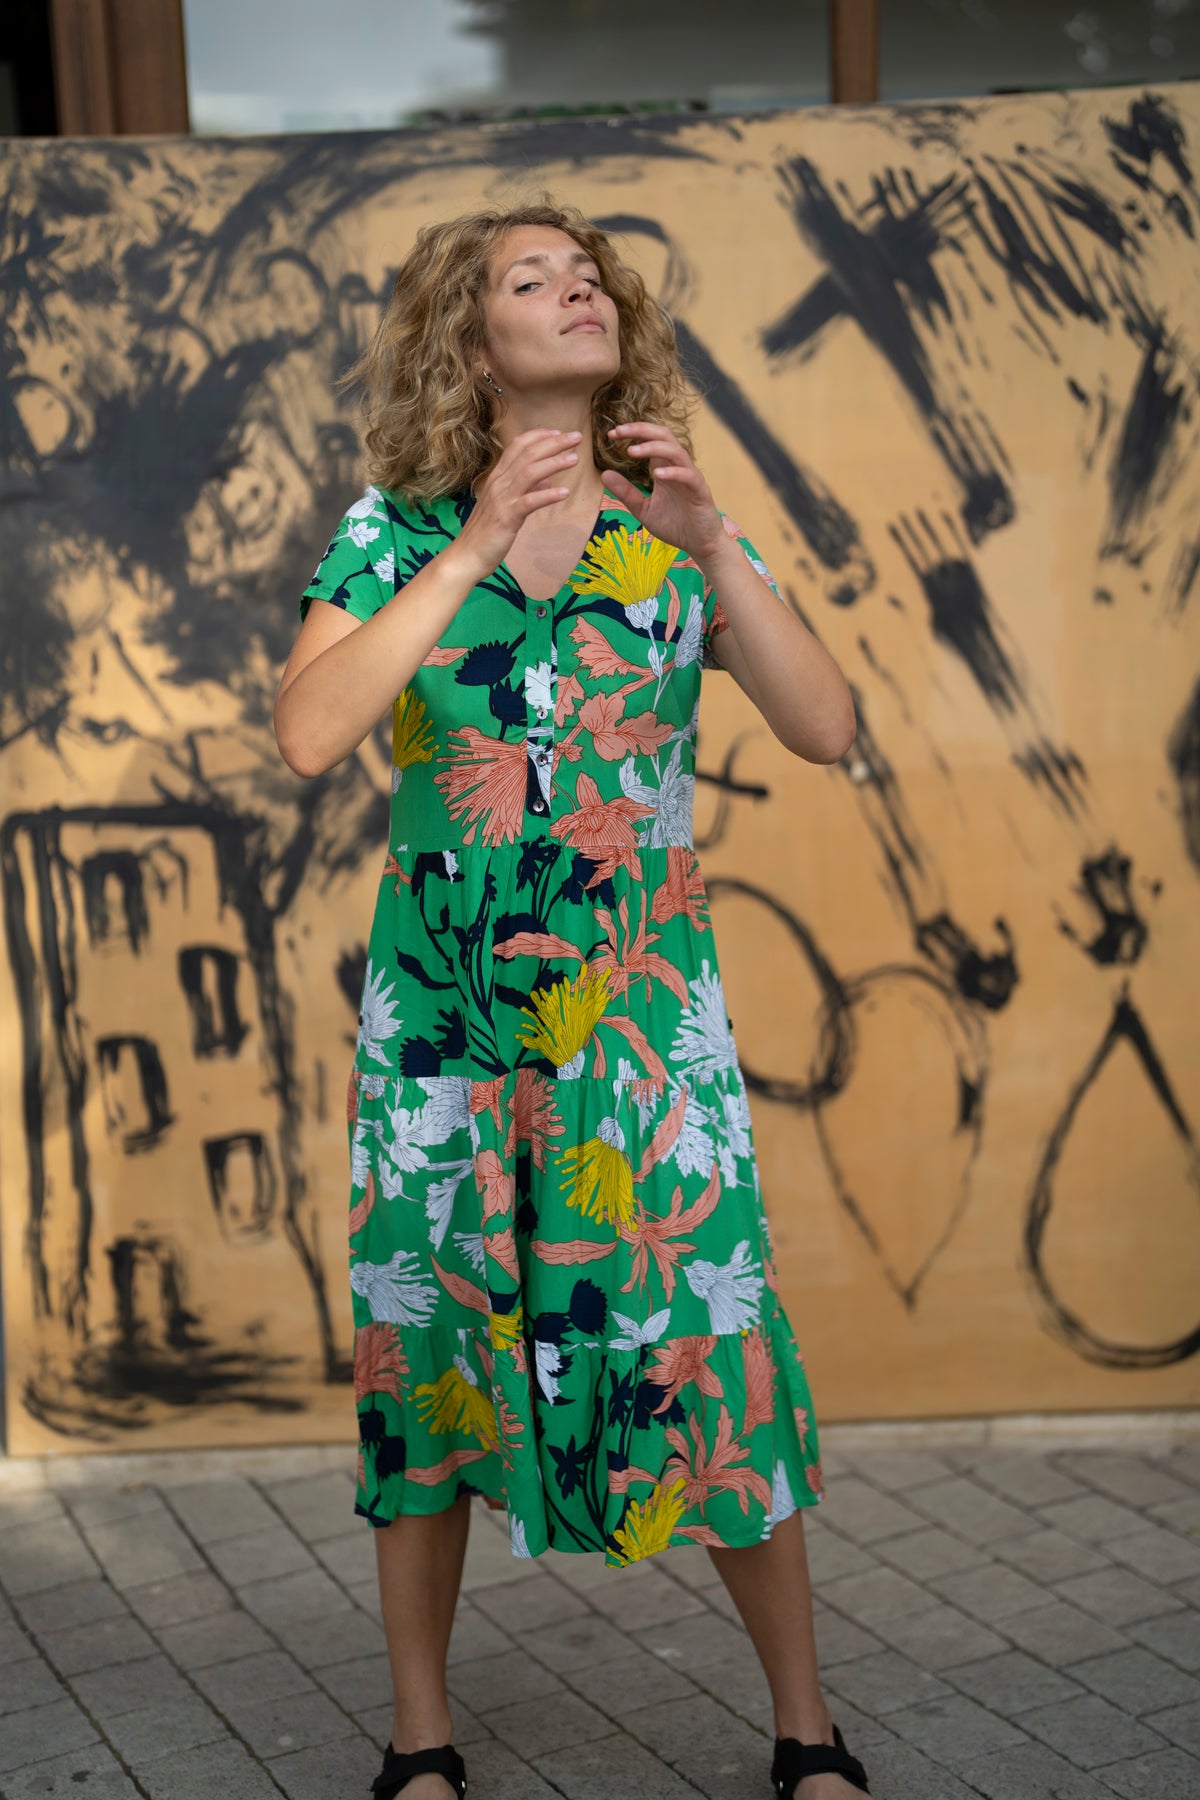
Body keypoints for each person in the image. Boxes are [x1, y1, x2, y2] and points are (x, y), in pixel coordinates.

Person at [274, 196, 868, 1800]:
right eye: (532, 278)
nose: (576, 289)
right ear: (473, 345)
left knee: (707, 1340)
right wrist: (471, 546)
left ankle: (807, 1733)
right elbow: (311, 733)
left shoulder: (671, 526)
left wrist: (713, 545)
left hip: (639, 1031)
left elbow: (826, 725)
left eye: (589, 273)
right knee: (427, 1355)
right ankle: (420, 1744)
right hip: (444, 1032)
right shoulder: (395, 531)